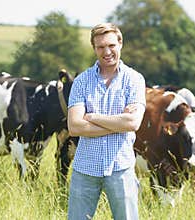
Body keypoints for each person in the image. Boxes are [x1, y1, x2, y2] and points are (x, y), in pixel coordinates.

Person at [67, 23, 146, 220]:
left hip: (121, 167)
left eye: (111, 45)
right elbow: (74, 126)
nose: (107, 51)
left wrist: (92, 117)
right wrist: (118, 124)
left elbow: (133, 123)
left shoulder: (134, 80)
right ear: (94, 48)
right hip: (85, 168)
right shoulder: (81, 81)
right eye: (100, 47)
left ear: (120, 44)